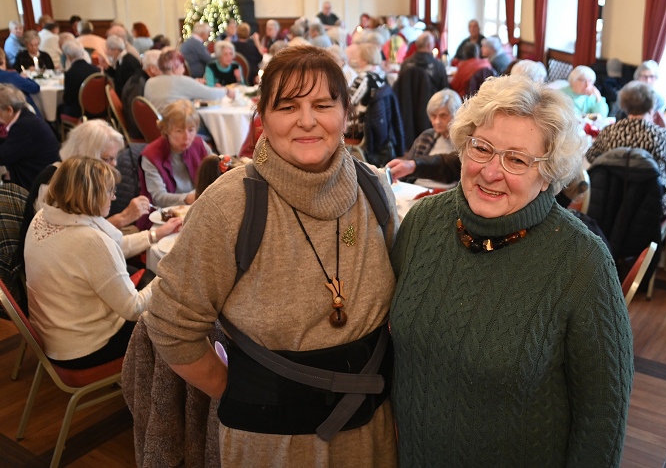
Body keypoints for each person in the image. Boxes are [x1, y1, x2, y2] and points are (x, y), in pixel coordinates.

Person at [143, 45, 399, 466]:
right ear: (262, 115)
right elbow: (170, 324)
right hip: (272, 444)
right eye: (288, 106)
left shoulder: (373, 188)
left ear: (345, 114)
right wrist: (241, 390)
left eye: (323, 105)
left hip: (372, 432)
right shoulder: (229, 205)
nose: (307, 120)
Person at [389, 75, 633, 466]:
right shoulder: (422, 222)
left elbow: (602, 418)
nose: (490, 172)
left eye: (517, 160)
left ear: (548, 173)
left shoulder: (581, 262)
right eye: (481, 148)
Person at [24, 156, 169, 369]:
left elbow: (113, 246)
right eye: (110, 191)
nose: (114, 197)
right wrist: (169, 273)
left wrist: (156, 234)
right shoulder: (89, 240)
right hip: (83, 348)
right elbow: (134, 308)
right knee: (170, 312)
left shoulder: (44, 217)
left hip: (53, 333)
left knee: (147, 279)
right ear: (91, 195)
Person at [20, 119, 182, 271]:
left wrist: (156, 232)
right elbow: (76, 243)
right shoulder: (57, 185)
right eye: (108, 159)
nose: (114, 164)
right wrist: (123, 218)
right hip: (55, 270)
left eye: (115, 157)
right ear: (86, 158)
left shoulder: (83, 183)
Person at [586, 81, 666, 217]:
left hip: (612, 199)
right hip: (650, 202)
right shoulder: (660, 135)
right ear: (651, 108)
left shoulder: (609, 132)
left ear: (624, 106)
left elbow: (591, 156)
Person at [138, 99, 211, 211]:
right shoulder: (151, 155)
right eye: (179, 131)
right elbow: (159, 198)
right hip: (163, 213)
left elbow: (216, 175)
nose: (186, 137)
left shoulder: (200, 145)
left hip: (199, 208)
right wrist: (189, 198)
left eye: (191, 130)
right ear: (167, 130)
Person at [387, 89, 462, 190]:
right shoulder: (426, 137)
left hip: (445, 192)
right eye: (433, 116)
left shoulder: (463, 141)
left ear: (456, 114)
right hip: (415, 188)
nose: (437, 121)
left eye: (443, 116)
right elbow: (409, 168)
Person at [395, 32, 449, 148]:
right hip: (430, 113)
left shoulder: (406, 64)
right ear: (429, 46)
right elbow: (445, 93)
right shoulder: (437, 66)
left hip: (407, 111)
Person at [0, 84, 60, 191]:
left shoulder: (24, 126)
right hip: (40, 172)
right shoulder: (25, 116)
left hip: (38, 183)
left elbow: (3, 157)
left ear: (9, 110)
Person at [143, 50, 231, 113]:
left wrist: (194, 84)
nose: (184, 70)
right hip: (180, 126)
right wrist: (226, 90)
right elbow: (210, 94)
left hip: (158, 126)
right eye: (182, 66)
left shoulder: (149, 82)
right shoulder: (181, 81)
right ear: (175, 68)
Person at [121, 49, 161, 140]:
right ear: (152, 69)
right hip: (141, 132)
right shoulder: (137, 84)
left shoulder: (144, 79)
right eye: (162, 67)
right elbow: (136, 116)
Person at [59, 40, 101, 120]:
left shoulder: (71, 73)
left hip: (80, 112)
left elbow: (68, 99)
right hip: (98, 109)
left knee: (59, 109)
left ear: (68, 56)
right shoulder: (96, 70)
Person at [0, 49, 42, 116]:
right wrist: (25, 78)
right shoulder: (10, 76)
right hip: (18, 115)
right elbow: (35, 88)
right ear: (2, 60)